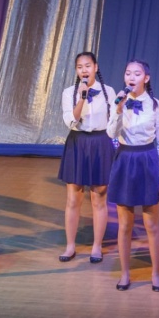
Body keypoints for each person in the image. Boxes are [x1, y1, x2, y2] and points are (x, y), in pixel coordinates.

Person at [107, 60, 159, 292]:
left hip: (147, 161)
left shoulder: (156, 106)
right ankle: (125, 273)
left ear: (146, 78)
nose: (131, 77)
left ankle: (155, 273)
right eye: (128, 73)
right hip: (125, 159)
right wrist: (118, 110)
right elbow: (111, 133)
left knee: (151, 223)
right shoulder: (118, 103)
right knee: (125, 224)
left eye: (136, 73)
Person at [58, 52, 116, 263]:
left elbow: (114, 121)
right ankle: (70, 246)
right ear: (76, 70)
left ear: (95, 67)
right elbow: (70, 121)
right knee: (73, 197)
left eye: (88, 66)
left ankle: (97, 246)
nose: (84, 70)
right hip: (78, 142)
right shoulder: (69, 93)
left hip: (101, 143)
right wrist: (81, 98)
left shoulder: (108, 91)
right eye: (80, 67)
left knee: (99, 196)